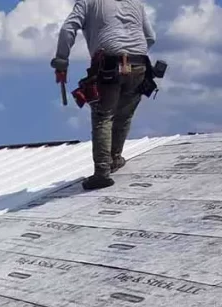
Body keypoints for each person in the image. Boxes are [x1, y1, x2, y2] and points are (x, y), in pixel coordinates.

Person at [52, 0, 157, 190]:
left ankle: (101, 173)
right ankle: (114, 158)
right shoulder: (135, 3)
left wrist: (61, 60)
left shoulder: (87, 2)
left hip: (109, 65)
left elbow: (68, 29)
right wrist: (131, 52)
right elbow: (151, 37)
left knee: (103, 116)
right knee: (124, 115)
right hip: (140, 64)